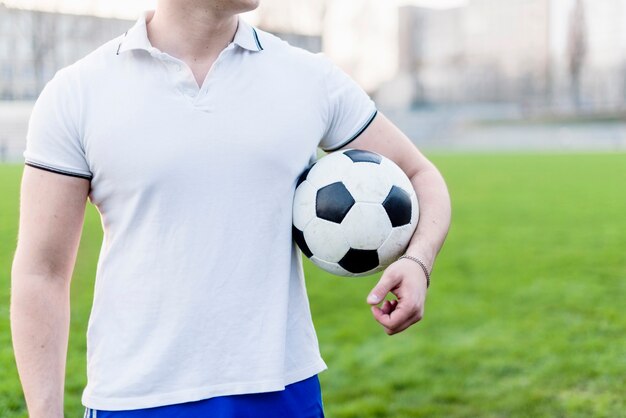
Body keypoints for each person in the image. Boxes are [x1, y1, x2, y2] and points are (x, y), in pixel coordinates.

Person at [10, 0, 451, 417]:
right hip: (134, 397)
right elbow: (41, 272)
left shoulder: (308, 78)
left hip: (282, 391)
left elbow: (420, 176)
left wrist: (418, 260)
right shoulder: (77, 92)